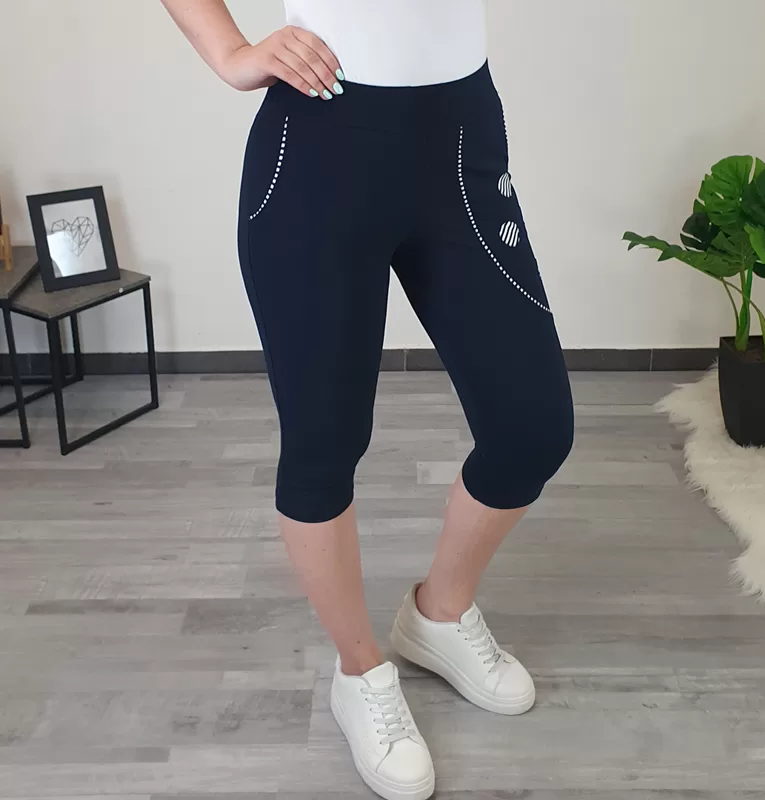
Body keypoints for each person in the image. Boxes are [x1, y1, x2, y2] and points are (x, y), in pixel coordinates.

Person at [162, 2, 574, 798]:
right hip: (319, 143)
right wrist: (230, 51)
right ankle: (360, 671)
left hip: (460, 134)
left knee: (532, 426)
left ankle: (439, 614)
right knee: (324, 443)